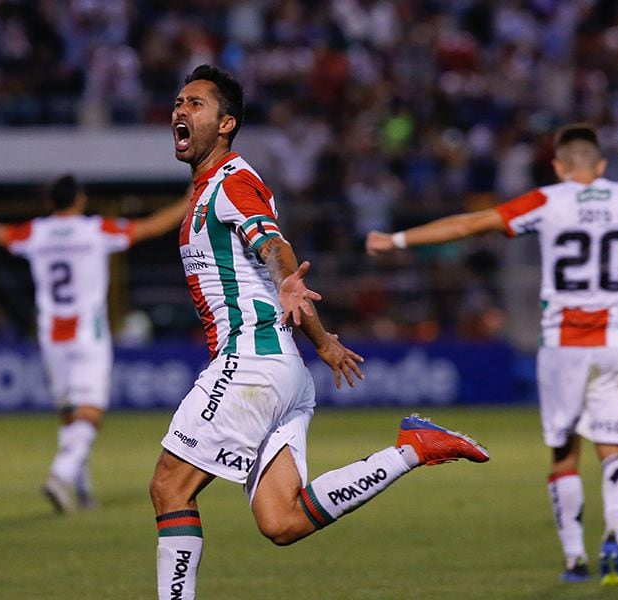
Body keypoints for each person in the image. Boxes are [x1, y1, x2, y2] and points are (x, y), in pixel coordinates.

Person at [366, 123, 618, 586]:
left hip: (563, 343)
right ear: (601, 166)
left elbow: (471, 224)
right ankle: (615, 535)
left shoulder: (547, 201)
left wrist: (396, 240)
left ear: (560, 167)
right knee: (615, 448)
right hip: (616, 343)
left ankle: (575, 558)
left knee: (565, 454)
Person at [149, 64, 490, 600]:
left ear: (226, 124)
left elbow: (274, 247)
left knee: (170, 485)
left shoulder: (232, 182)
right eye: (178, 102)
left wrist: (288, 282)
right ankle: (412, 450)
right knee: (281, 521)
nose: (179, 111)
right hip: (282, 368)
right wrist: (324, 342)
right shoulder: (207, 189)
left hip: (251, 360)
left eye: (195, 103)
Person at [0, 177, 190, 512]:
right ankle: (61, 474)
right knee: (90, 411)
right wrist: (188, 200)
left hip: (52, 335)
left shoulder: (36, 233)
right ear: (79, 200)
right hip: (87, 334)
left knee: (70, 414)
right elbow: (150, 227)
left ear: (50, 202)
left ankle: (81, 490)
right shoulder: (94, 229)